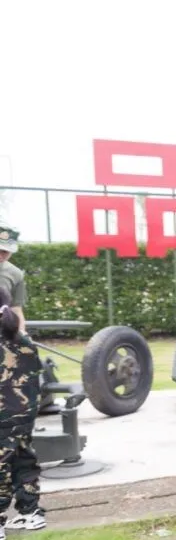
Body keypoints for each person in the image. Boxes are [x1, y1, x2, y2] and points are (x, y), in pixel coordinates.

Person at [0, 226, 44, 533]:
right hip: (23, 409)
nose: (3, 255)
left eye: (6, 251)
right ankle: (31, 511)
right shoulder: (26, 347)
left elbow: (16, 309)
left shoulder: (14, 274)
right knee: (22, 454)